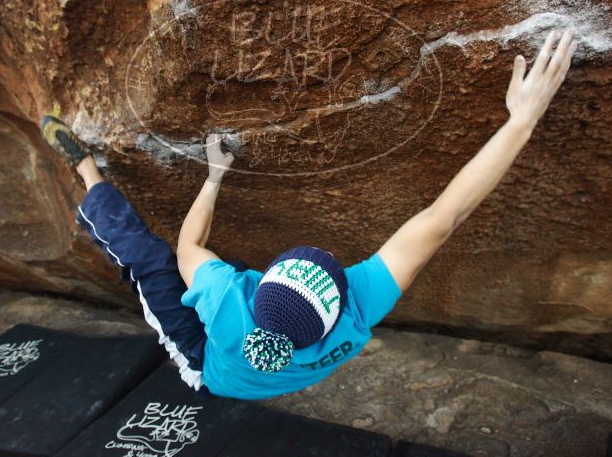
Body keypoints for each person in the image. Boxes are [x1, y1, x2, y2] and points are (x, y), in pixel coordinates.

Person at [42, 29, 577, 401]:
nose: (325, 252)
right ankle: (91, 172)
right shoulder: (356, 312)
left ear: (258, 285)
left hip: (208, 364)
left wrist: (214, 175)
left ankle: (88, 173)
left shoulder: (230, 303)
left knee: (146, 260)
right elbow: (444, 216)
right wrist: (519, 125)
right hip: (260, 357)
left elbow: (187, 249)